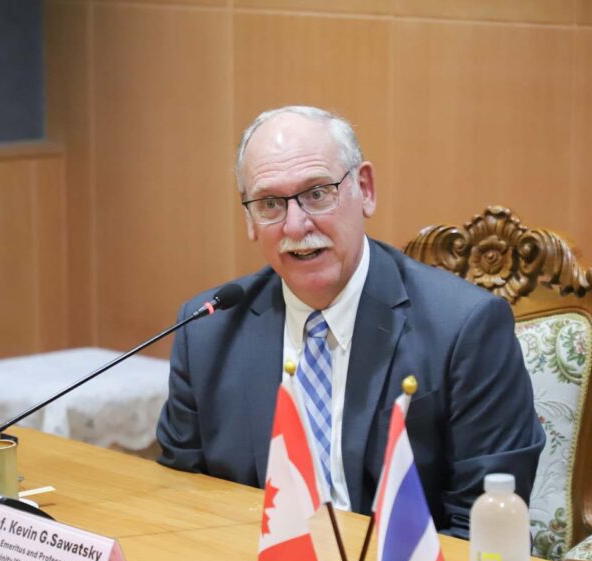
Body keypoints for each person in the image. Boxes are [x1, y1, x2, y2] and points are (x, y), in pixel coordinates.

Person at [157, 105, 545, 538]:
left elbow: (484, 527)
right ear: (250, 219)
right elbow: (181, 505)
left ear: (365, 190)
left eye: (317, 193)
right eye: (270, 204)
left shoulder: (465, 328)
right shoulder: (206, 332)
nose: (296, 225)